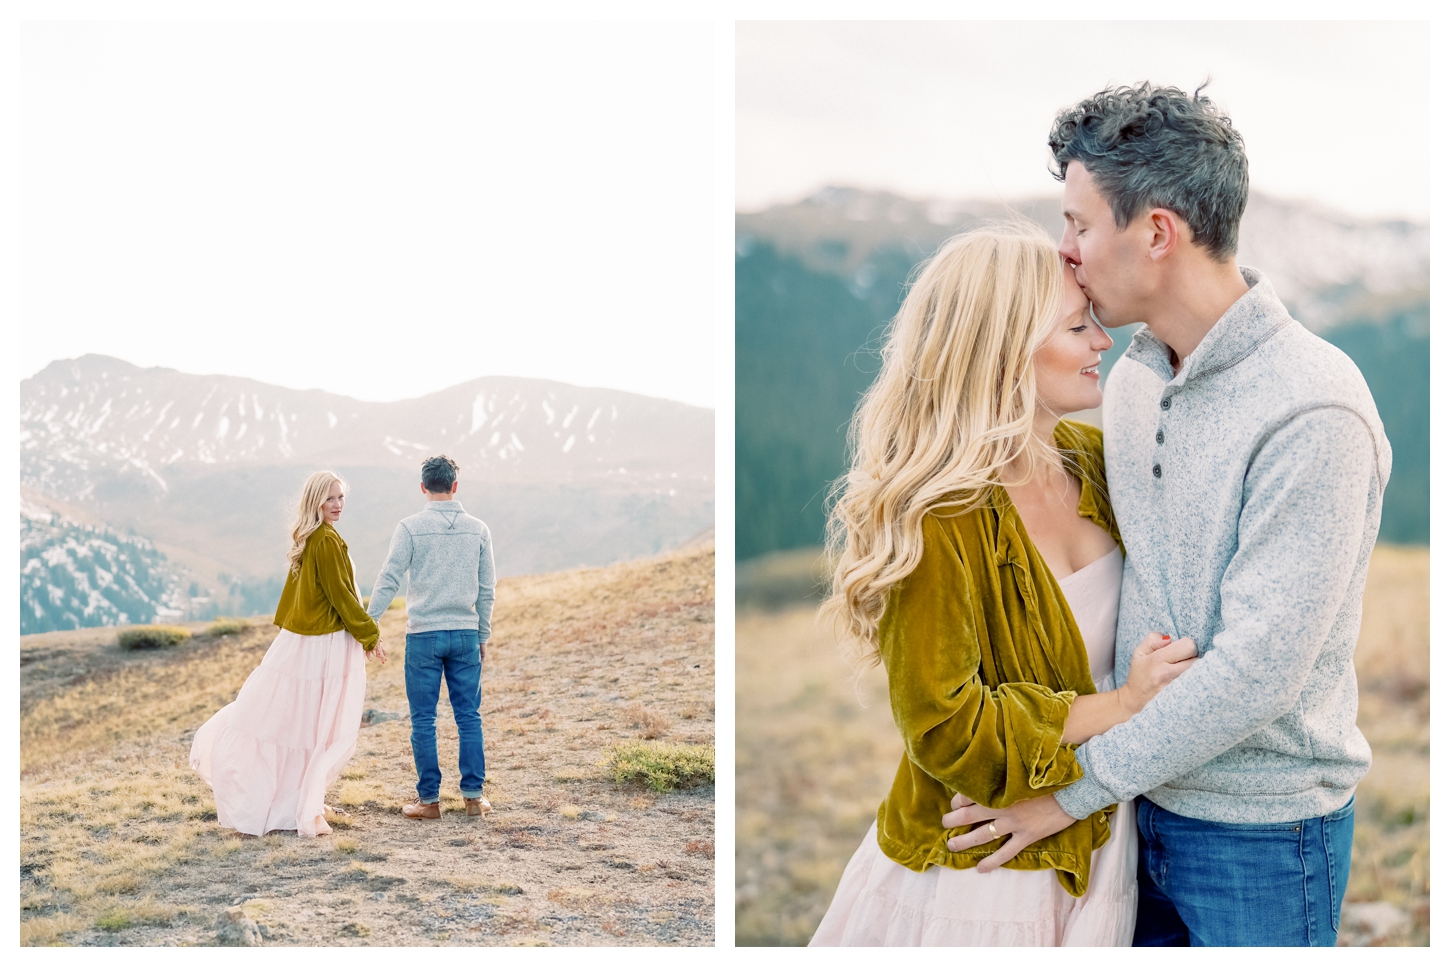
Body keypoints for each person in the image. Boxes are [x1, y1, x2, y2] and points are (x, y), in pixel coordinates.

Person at [939, 83, 1391, 947]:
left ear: (1155, 232)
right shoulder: (1137, 376)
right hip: (1135, 812)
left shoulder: (1314, 409)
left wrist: (1069, 791)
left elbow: (1256, 674)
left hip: (1260, 834)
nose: (1064, 252)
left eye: (1078, 224)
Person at [809, 226, 1199, 946]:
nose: (1101, 343)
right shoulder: (938, 511)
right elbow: (944, 725)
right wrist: (1121, 704)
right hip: (981, 872)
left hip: (1097, 844)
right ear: (1002, 347)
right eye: (1077, 325)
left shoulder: (1094, 460)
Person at [191, 470, 383, 837]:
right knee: (316, 725)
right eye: (330, 498)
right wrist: (371, 637)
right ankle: (297, 801)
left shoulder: (314, 536)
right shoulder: (324, 540)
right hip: (321, 645)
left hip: (310, 642)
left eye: (341, 497)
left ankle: (303, 797)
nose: (338, 504)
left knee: (303, 724)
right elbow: (342, 595)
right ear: (316, 501)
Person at [367, 454, 496, 820]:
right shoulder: (479, 529)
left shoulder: (409, 527)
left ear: (423, 487)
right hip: (466, 633)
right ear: (455, 486)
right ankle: (473, 797)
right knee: (468, 716)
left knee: (423, 719)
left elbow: (389, 578)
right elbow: (487, 589)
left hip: (423, 636)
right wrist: (482, 633)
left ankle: (429, 802)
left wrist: (369, 623)